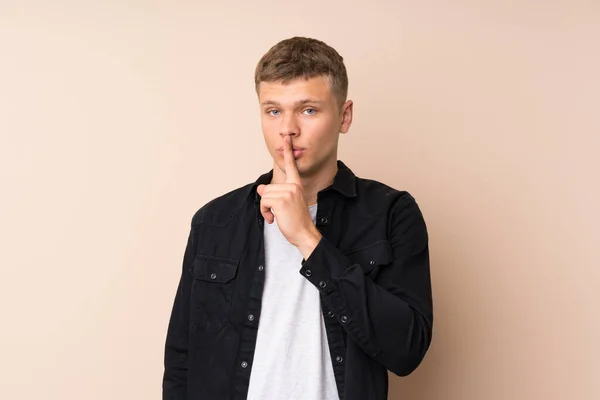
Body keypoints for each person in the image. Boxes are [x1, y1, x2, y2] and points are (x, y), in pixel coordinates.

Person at [162, 36, 433, 400]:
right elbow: (182, 361)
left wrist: (309, 238)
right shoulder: (214, 222)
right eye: (273, 110)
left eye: (308, 110)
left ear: (345, 115)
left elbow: (407, 349)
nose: (287, 129)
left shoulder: (391, 213)